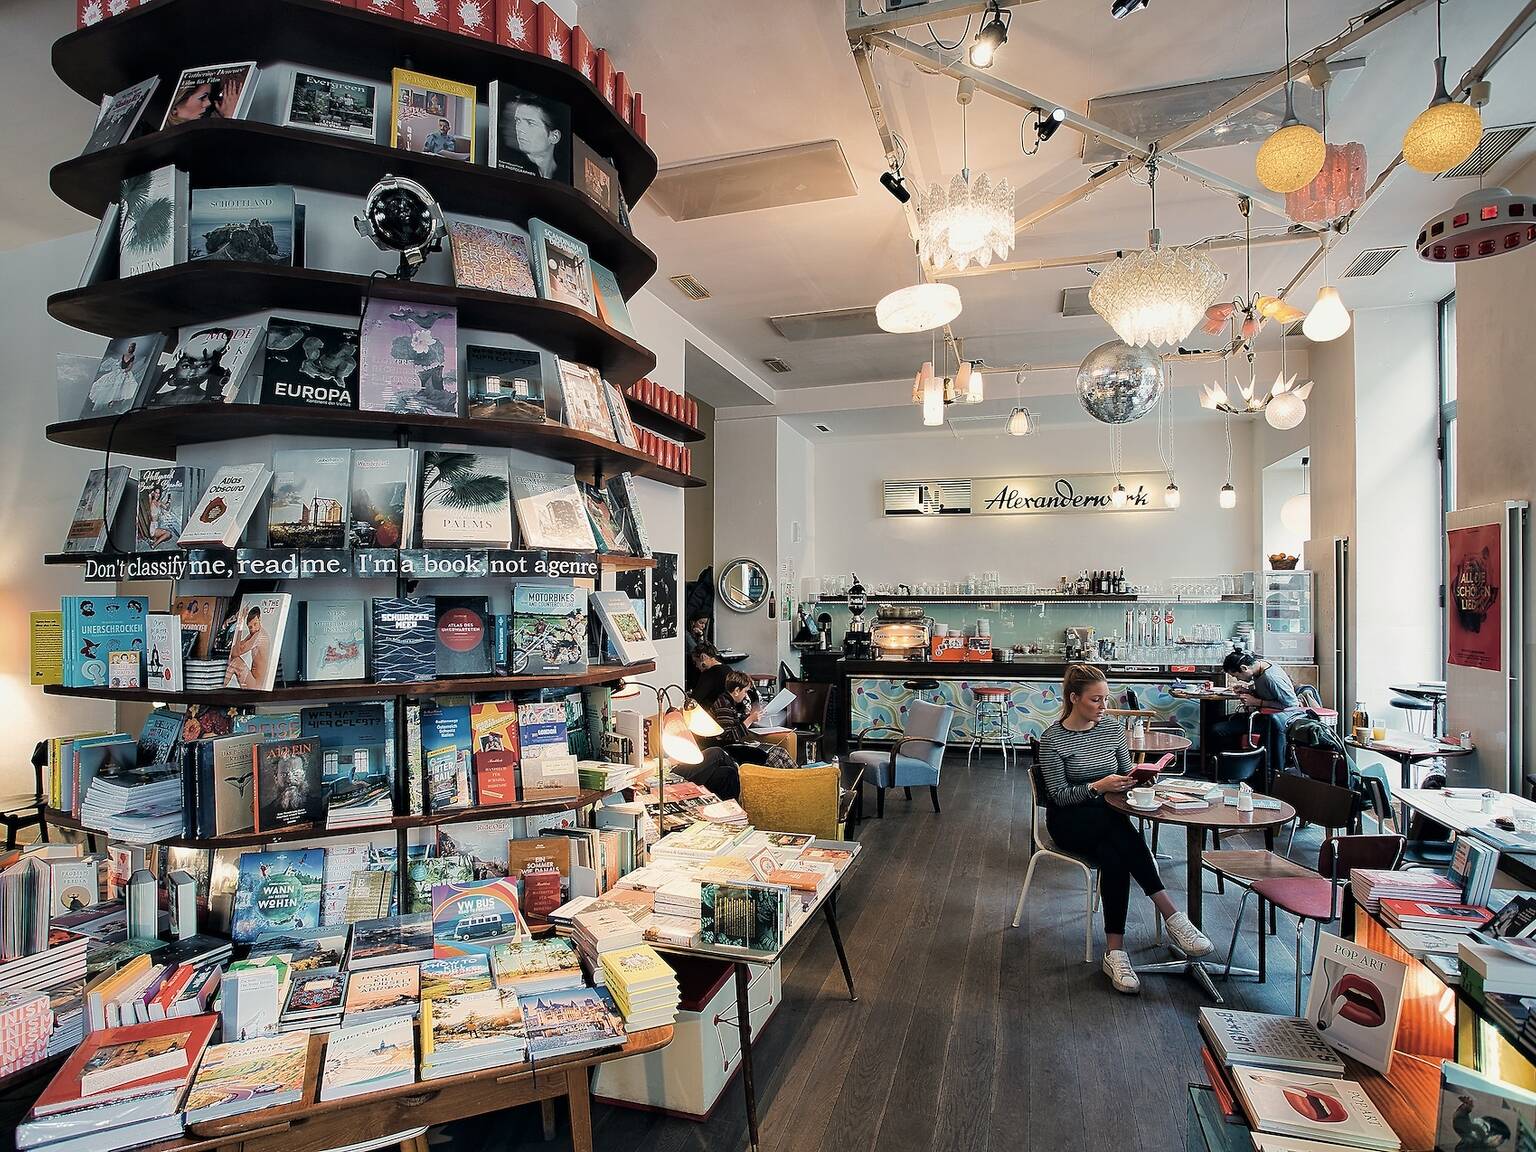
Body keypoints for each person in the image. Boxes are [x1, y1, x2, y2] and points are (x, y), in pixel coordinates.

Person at [1037, 663, 1213, 993]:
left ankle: (1115, 953)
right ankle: (1173, 916)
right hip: (1069, 820)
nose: (1104, 707)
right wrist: (1097, 787)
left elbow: (1126, 775)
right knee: (1119, 831)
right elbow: (1058, 797)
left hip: (1108, 816)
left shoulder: (1114, 731)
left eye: (1106, 699)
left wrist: (1142, 778)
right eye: (1096, 700)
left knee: (1114, 857)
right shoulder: (1053, 740)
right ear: (1074, 699)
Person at [1213, 648, 1303, 778]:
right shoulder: (1260, 665)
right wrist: (1249, 690)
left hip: (1275, 721)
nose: (1238, 679)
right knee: (1217, 720)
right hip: (1264, 715)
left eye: (1237, 676)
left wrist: (1257, 702)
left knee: (1218, 729)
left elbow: (1291, 705)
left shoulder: (1271, 678)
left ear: (1244, 668)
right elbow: (1267, 692)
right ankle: (1230, 768)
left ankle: (1235, 771)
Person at [706, 670, 797, 770]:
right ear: (736, 691)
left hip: (735, 745)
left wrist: (750, 717)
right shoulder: (723, 705)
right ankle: (790, 780)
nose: (745, 695)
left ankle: (800, 776)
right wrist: (750, 719)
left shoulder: (731, 703)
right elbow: (728, 736)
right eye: (745, 691)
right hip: (726, 748)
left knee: (780, 751)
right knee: (773, 757)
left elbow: (737, 724)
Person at [497, 94, 567, 181]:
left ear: (554, 137)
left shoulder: (565, 176)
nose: (519, 129)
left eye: (530, 123)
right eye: (518, 121)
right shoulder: (509, 170)